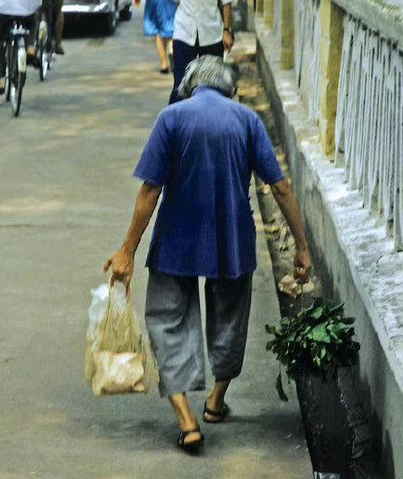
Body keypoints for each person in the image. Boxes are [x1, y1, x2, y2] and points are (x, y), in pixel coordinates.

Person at [103, 56, 312, 452]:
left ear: (190, 84)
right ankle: (215, 400)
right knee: (230, 318)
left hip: (176, 241)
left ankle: (187, 419)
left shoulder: (173, 118)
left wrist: (127, 249)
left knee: (166, 321)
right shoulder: (247, 121)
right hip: (231, 241)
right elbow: (280, 187)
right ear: (229, 87)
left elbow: (151, 190)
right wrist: (302, 247)